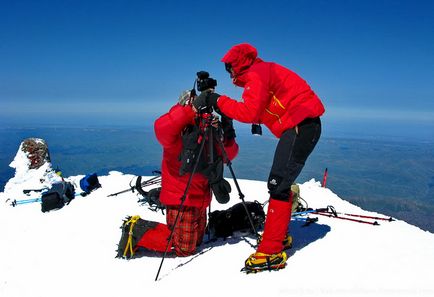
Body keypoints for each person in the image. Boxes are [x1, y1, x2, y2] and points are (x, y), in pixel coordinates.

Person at [193, 43, 325, 271]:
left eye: (229, 67)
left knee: (278, 184)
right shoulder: (262, 72)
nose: (229, 73)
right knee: (279, 184)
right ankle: (278, 237)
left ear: (239, 64)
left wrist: (216, 101)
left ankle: (272, 251)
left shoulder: (257, 75)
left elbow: (249, 112)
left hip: (301, 126)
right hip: (301, 125)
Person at [151, 87, 239, 256]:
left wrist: (227, 130)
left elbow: (229, 155)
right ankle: (137, 231)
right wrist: (190, 110)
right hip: (181, 199)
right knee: (184, 249)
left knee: (197, 242)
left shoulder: (206, 130)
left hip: (201, 198)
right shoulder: (177, 133)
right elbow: (161, 128)